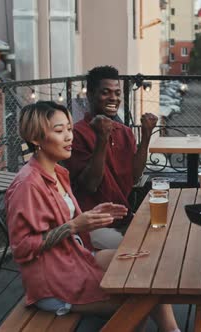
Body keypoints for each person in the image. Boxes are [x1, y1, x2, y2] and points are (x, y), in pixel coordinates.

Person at [6, 101, 179, 331]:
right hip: (53, 282)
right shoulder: (27, 184)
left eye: (69, 128)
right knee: (139, 298)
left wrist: (90, 216)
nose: (69, 136)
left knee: (147, 266)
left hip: (77, 259)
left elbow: (66, 221)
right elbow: (21, 248)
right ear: (35, 138)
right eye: (59, 131)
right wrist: (75, 225)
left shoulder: (57, 172)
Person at [64, 65, 158, 249]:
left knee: (159, 239)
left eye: (117, 93)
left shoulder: (125, 132)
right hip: (93, 222)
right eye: (105, 92)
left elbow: (134, 176)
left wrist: (146, 135)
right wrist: (102, 139)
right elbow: (90, 185)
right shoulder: (76, 134)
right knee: (136, 250)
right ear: (90, 95)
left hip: (123, 217)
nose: (113, 98)